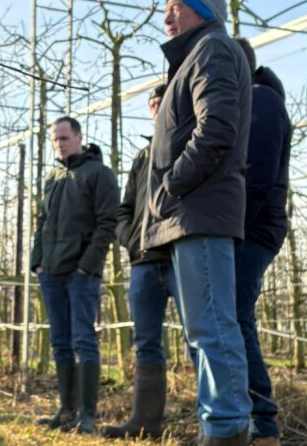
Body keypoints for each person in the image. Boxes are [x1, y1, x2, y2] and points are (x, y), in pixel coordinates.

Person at [142, 0, 253, 445]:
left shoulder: (211, 49)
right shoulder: (194, 57)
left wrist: (171, 185)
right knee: (202, 329)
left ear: (203, 12)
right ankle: (218, 425)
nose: (166, 18)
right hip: (188, 213)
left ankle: (226, 429)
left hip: (199, 210)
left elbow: (216, 128)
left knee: (212, 327)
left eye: (175, 9)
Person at [101, 84, 181, 440]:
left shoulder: (188, 142)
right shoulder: (141, 156)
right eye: (152, 103)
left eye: (162, 102)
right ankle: (144, 422)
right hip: (143, 262)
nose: (156, 108)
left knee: (200, 338)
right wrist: (130, 240)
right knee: (146, 341)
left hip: (181, 256)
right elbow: (124, 208)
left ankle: (216, 423)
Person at [31, 116, 119, 434]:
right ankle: (66, 412)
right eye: (55, 139)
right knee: (60, 343)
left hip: (81, 273)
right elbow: (41, 222)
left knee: (84, 341)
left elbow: (108, 222)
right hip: (51, 272)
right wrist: (36, 263)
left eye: (65, 138)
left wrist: (87, 265)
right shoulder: (53, 177)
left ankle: (88, 415)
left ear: (80, 137)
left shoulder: (99, 174)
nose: (60, 143)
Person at [233, 38, 292, 446]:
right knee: (230, 319)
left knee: (236, 317)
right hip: (243, 224)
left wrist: (233, 224)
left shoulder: (261, 100)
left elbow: (257, 173)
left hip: (252, 227)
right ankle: (242, 417)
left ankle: (262, 424)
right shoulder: (245, 100)